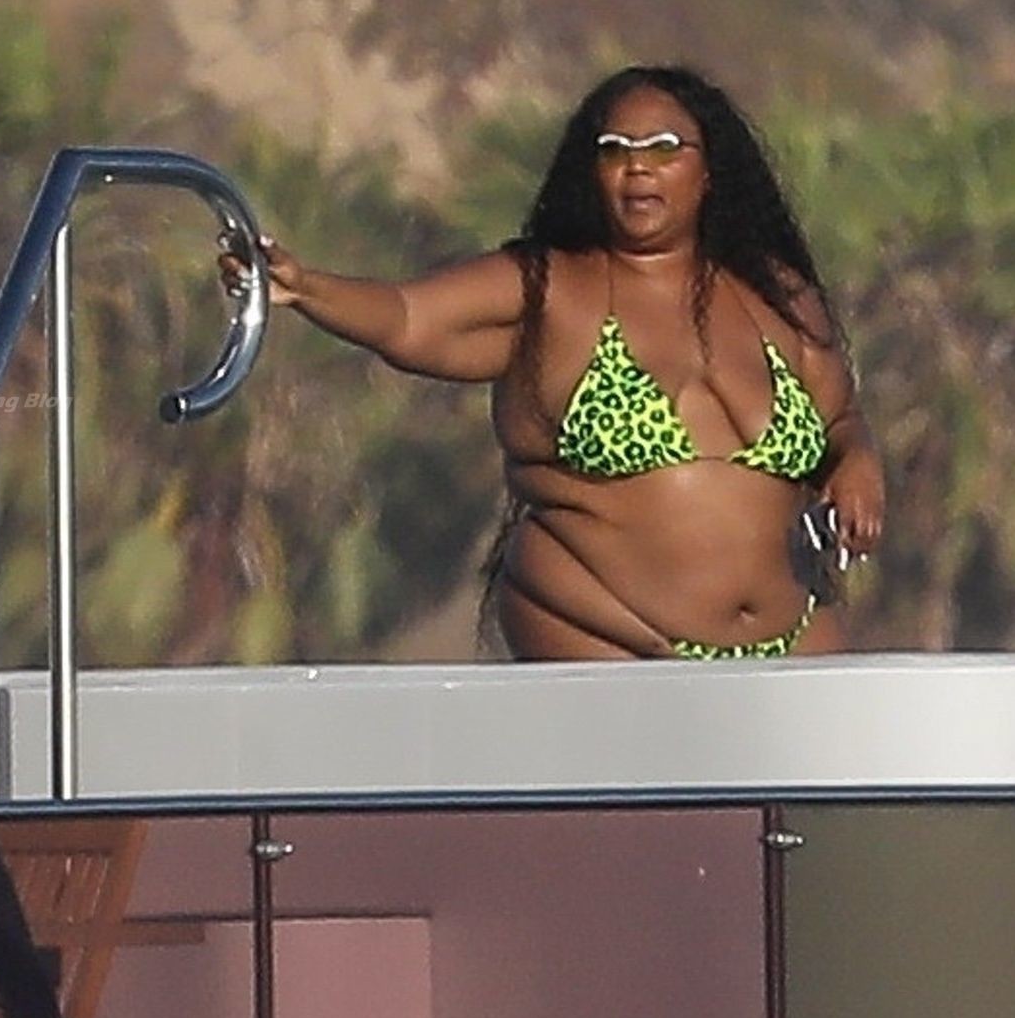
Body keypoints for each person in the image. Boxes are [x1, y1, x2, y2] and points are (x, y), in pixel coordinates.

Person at [223, 65, 884, 659]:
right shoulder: (549, 289)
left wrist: (858, 462)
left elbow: (840, 419)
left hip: (795, 635)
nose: (638, 168)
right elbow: (406, 317)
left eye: (663, 148)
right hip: (609, 632)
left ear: (710, 171)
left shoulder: (775, 293)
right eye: (615, 150)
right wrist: (303, 286)